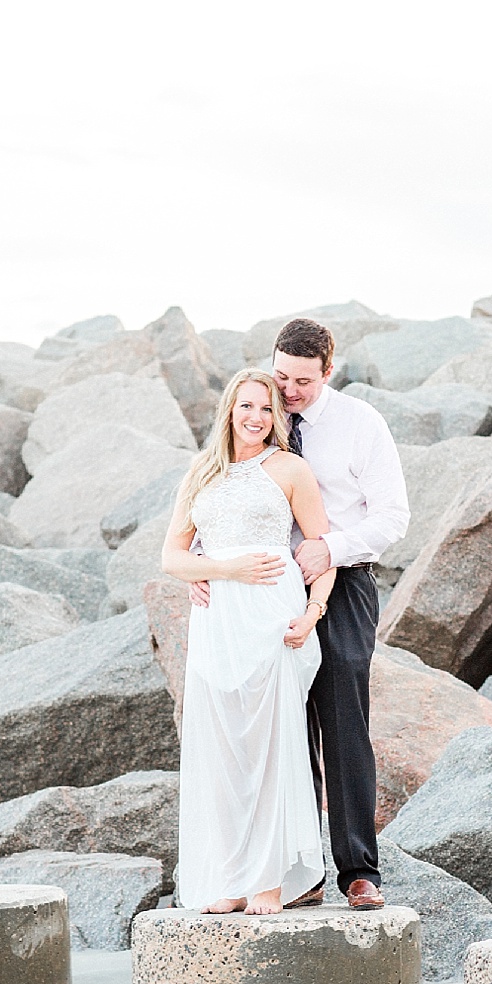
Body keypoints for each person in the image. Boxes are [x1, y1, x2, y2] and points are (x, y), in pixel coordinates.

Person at [189, 318, 410, 910]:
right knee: (278, 727)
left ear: (328, 373)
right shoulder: (259, 413)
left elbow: (393, 516)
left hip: (341, 584)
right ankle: (295, 873)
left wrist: (329, 549)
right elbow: (224, 493)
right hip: (259, 592)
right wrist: (203, 563)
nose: (288, 391)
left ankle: (358, 870)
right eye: (281, 376)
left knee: (342, 724)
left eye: (303, 382)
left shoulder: (360, 424)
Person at [163, 368, 337, 915]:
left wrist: (312, 613)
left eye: (267, 408)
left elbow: (323, 552)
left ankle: (269, 881)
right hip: (218, 624)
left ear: (277, 416)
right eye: (247, 406)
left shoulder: (291, 469)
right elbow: (172, 557)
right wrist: (220, 569)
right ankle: (232, 878)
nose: (257, 417)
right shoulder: (202, 471)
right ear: (230, 411)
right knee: (224, 753)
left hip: (271, 618)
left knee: (270, 747)